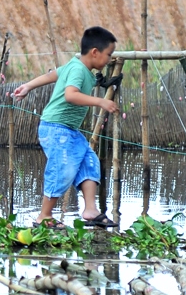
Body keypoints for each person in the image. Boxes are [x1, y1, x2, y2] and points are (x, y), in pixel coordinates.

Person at [13, 26, 120, 229]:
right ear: (95, 52)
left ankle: (90, 210)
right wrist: (100, 102)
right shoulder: (78, 70)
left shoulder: (75, 66)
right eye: (109, 54)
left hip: (68, 130)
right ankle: (44, 216)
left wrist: (28, 86)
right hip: (56, 129)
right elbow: (71, 95)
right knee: (61, 168)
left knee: (89, 161)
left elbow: (52, 75)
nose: (109, 60)